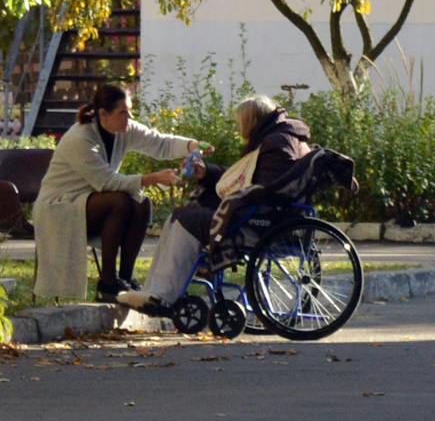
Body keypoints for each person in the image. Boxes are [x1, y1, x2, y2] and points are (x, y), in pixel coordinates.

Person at [117, 96, 318, 313]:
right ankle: (153, 291)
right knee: (182, 215)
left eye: (240, 123)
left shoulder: (276, 144)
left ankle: (161, 295)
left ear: (252, 121)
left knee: (186, 219)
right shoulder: (281, 138)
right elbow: (248, 180)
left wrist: (228, 199)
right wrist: (207, 173)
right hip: (270, 219)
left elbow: (262, 190)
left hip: (262, 224)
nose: (239, 129)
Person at [30, 83, 205, 303]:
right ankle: (108, 282)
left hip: (90, 201)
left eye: (129, 110)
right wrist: (153, 178)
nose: (128, 117)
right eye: (123, 112)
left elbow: (159, 143)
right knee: (120, 201)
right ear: (103, 114)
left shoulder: (124, 129)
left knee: (141, 203)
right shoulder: (81, 139)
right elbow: (106, 181)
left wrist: (191, 145)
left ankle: (125, 278)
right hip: (59, 208)